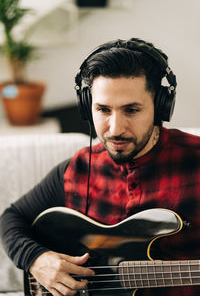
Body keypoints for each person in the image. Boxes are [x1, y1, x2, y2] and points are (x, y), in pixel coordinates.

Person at [0, 37, 200, 296]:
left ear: (160, 106)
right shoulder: (78, 169)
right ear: (87, 107)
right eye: (103, 110)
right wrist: (37, 259)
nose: (115, 129)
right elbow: (11, 218)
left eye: (131, 110)